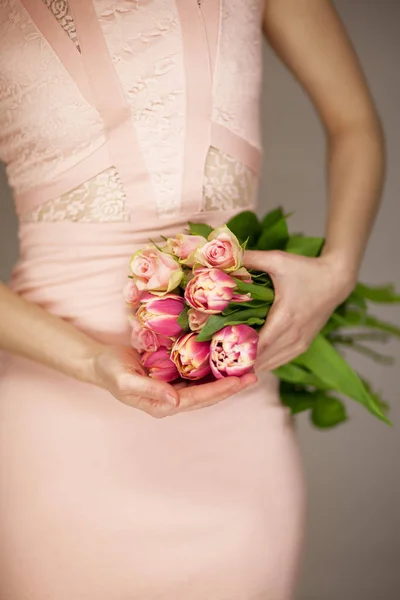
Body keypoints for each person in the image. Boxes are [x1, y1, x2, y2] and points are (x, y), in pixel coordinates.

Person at [0, 1, 384, 598]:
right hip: (60, 417)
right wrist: (88, 361)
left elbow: (354, 120)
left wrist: (335, 273)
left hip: (233, 415)